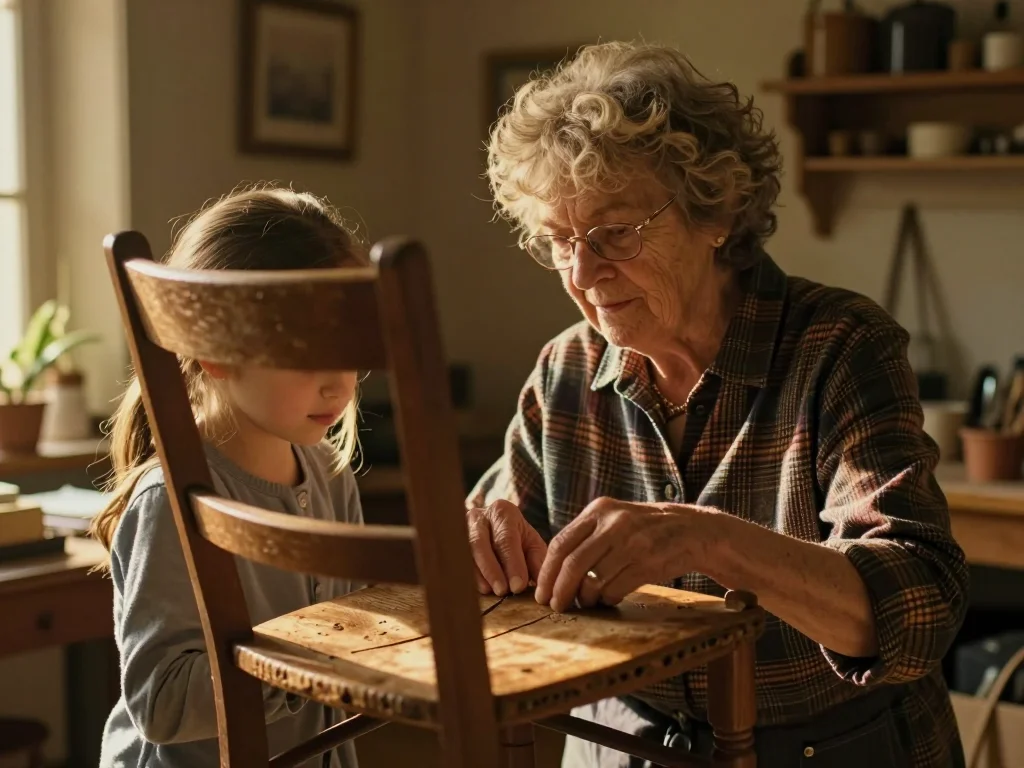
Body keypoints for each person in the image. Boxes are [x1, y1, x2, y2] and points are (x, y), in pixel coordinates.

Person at [468, 41, 968, 767]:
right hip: (621, 745)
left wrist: (709, 538)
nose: (581, 272)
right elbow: (500, 544)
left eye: (614, 234)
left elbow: (919, 609)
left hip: (830, 750)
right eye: (559, 240)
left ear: (718, 214)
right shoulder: (566, 370)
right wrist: (483, 538)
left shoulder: (838, 346)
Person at [92, 185, 365, 768]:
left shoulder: (331, 476)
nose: (340, 383)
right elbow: (161, 703)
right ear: (213, 350)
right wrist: (318, 659)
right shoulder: (168, 501)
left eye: (351, 345)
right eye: (307, 349)